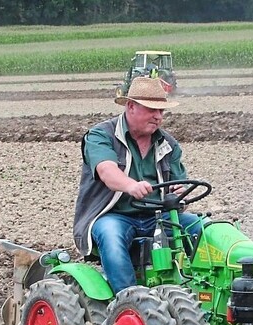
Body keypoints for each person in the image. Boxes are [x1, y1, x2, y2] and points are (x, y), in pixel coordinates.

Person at [73, 76, 203, 294]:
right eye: (152, 109)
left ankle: (198, 291)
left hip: (157, 217)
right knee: (111, 237)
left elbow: (179, 186)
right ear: (131, 106)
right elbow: (107, 171)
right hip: (113, 215)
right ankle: (129, 300)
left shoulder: (168, 144)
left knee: (204, 228)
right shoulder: (101, 135)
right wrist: (129, 185)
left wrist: (178, 195)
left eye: (162, 111)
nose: (158, 116)